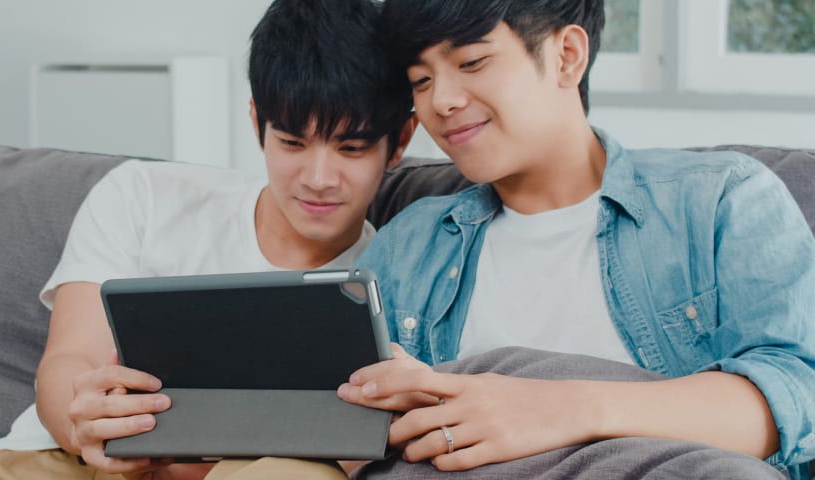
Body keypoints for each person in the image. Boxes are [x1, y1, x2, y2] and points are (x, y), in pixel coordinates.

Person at [0, 0, 415, 478]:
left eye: (352, 148)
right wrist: (85, 428)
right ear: (256, 123)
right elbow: (68, 361)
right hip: (72, 459)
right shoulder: (142, 195)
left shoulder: (398, 281)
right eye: (292, 143)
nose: (319, 178)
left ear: (400, 141)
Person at [336, 1, 815, 479]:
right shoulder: (407, 246)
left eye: (472, 62)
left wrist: (558, 407)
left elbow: (795, 394)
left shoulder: (721, 198)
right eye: (421, 80)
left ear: (567, 55)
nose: (441, 101)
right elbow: (339, 427)